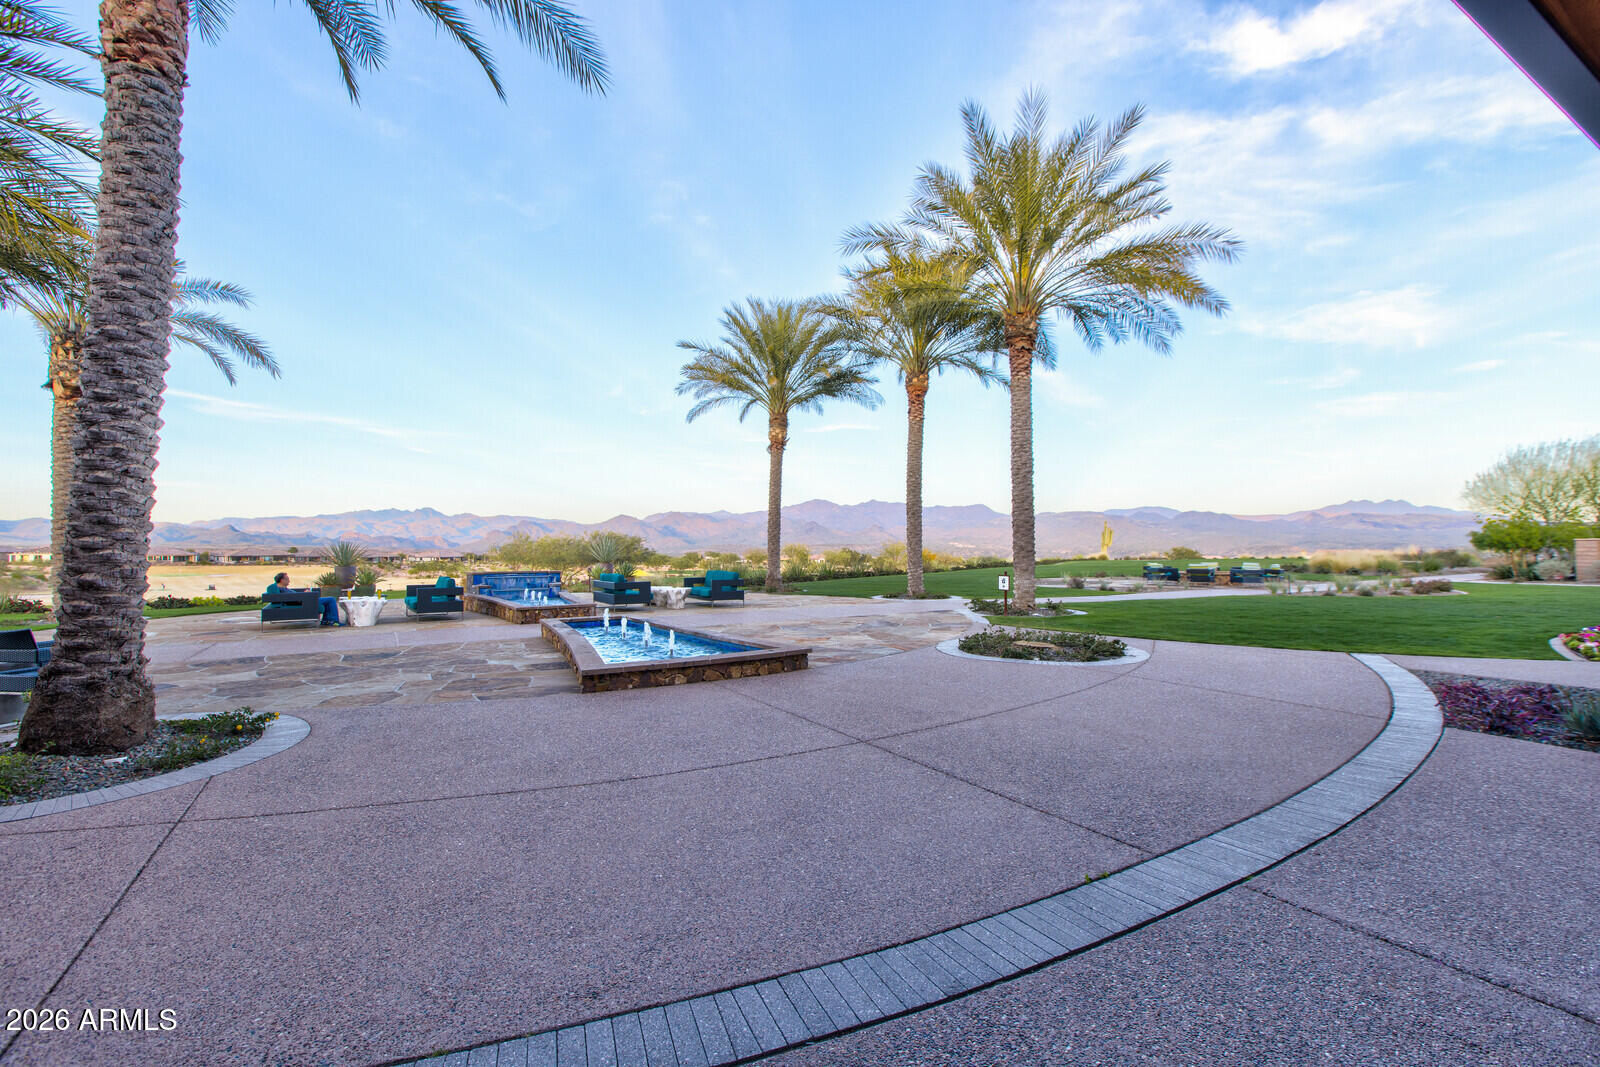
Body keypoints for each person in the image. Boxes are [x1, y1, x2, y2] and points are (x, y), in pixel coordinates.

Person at [267, 572, 341, 626]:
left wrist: (305, 593)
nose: (289, 580)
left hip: (303, 599)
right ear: (282, 580)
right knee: (331, 599)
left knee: (328, 601)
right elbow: (291, 598)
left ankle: (327, 620)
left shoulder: (283, 588)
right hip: (303, 602)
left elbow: (293, 596)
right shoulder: (282, 589)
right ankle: (334, 620)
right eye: (287, 579)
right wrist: (306, 595)